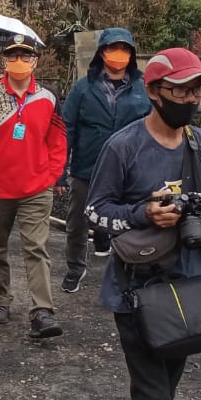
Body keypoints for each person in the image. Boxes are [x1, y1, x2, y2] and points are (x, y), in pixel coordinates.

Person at [85, 47, 201, 400]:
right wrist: (144, 213)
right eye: (180, 90)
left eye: (196, 91)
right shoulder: (123, 146)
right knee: (153, 397)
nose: (190, 100)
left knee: (163, 394)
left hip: (187, 288)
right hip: (135, 290)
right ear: (154, 91)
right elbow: (94, 213)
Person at [0, 33, 67, 338]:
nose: (19, 62)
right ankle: (1, 298)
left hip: (36, 188)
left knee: (36, 248)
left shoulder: (48, 97)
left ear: (35, 61)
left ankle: (42, 312)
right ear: (5, 61)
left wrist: (51, 176)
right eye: (12, 56)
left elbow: (58, 141)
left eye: (25, 56)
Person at [58, 28, 153, 293]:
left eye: (124, 49)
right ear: (102, 52)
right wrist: (60, 169)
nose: (118, 55)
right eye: (113, 48)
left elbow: (154, 127)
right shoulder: (83, 88)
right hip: (87, 168)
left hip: (129, 171)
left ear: (131, 55)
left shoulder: (143, 88)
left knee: (129, 222)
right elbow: (68, 128)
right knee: (77, 222)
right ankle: (75, 268)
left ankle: (128, 271)